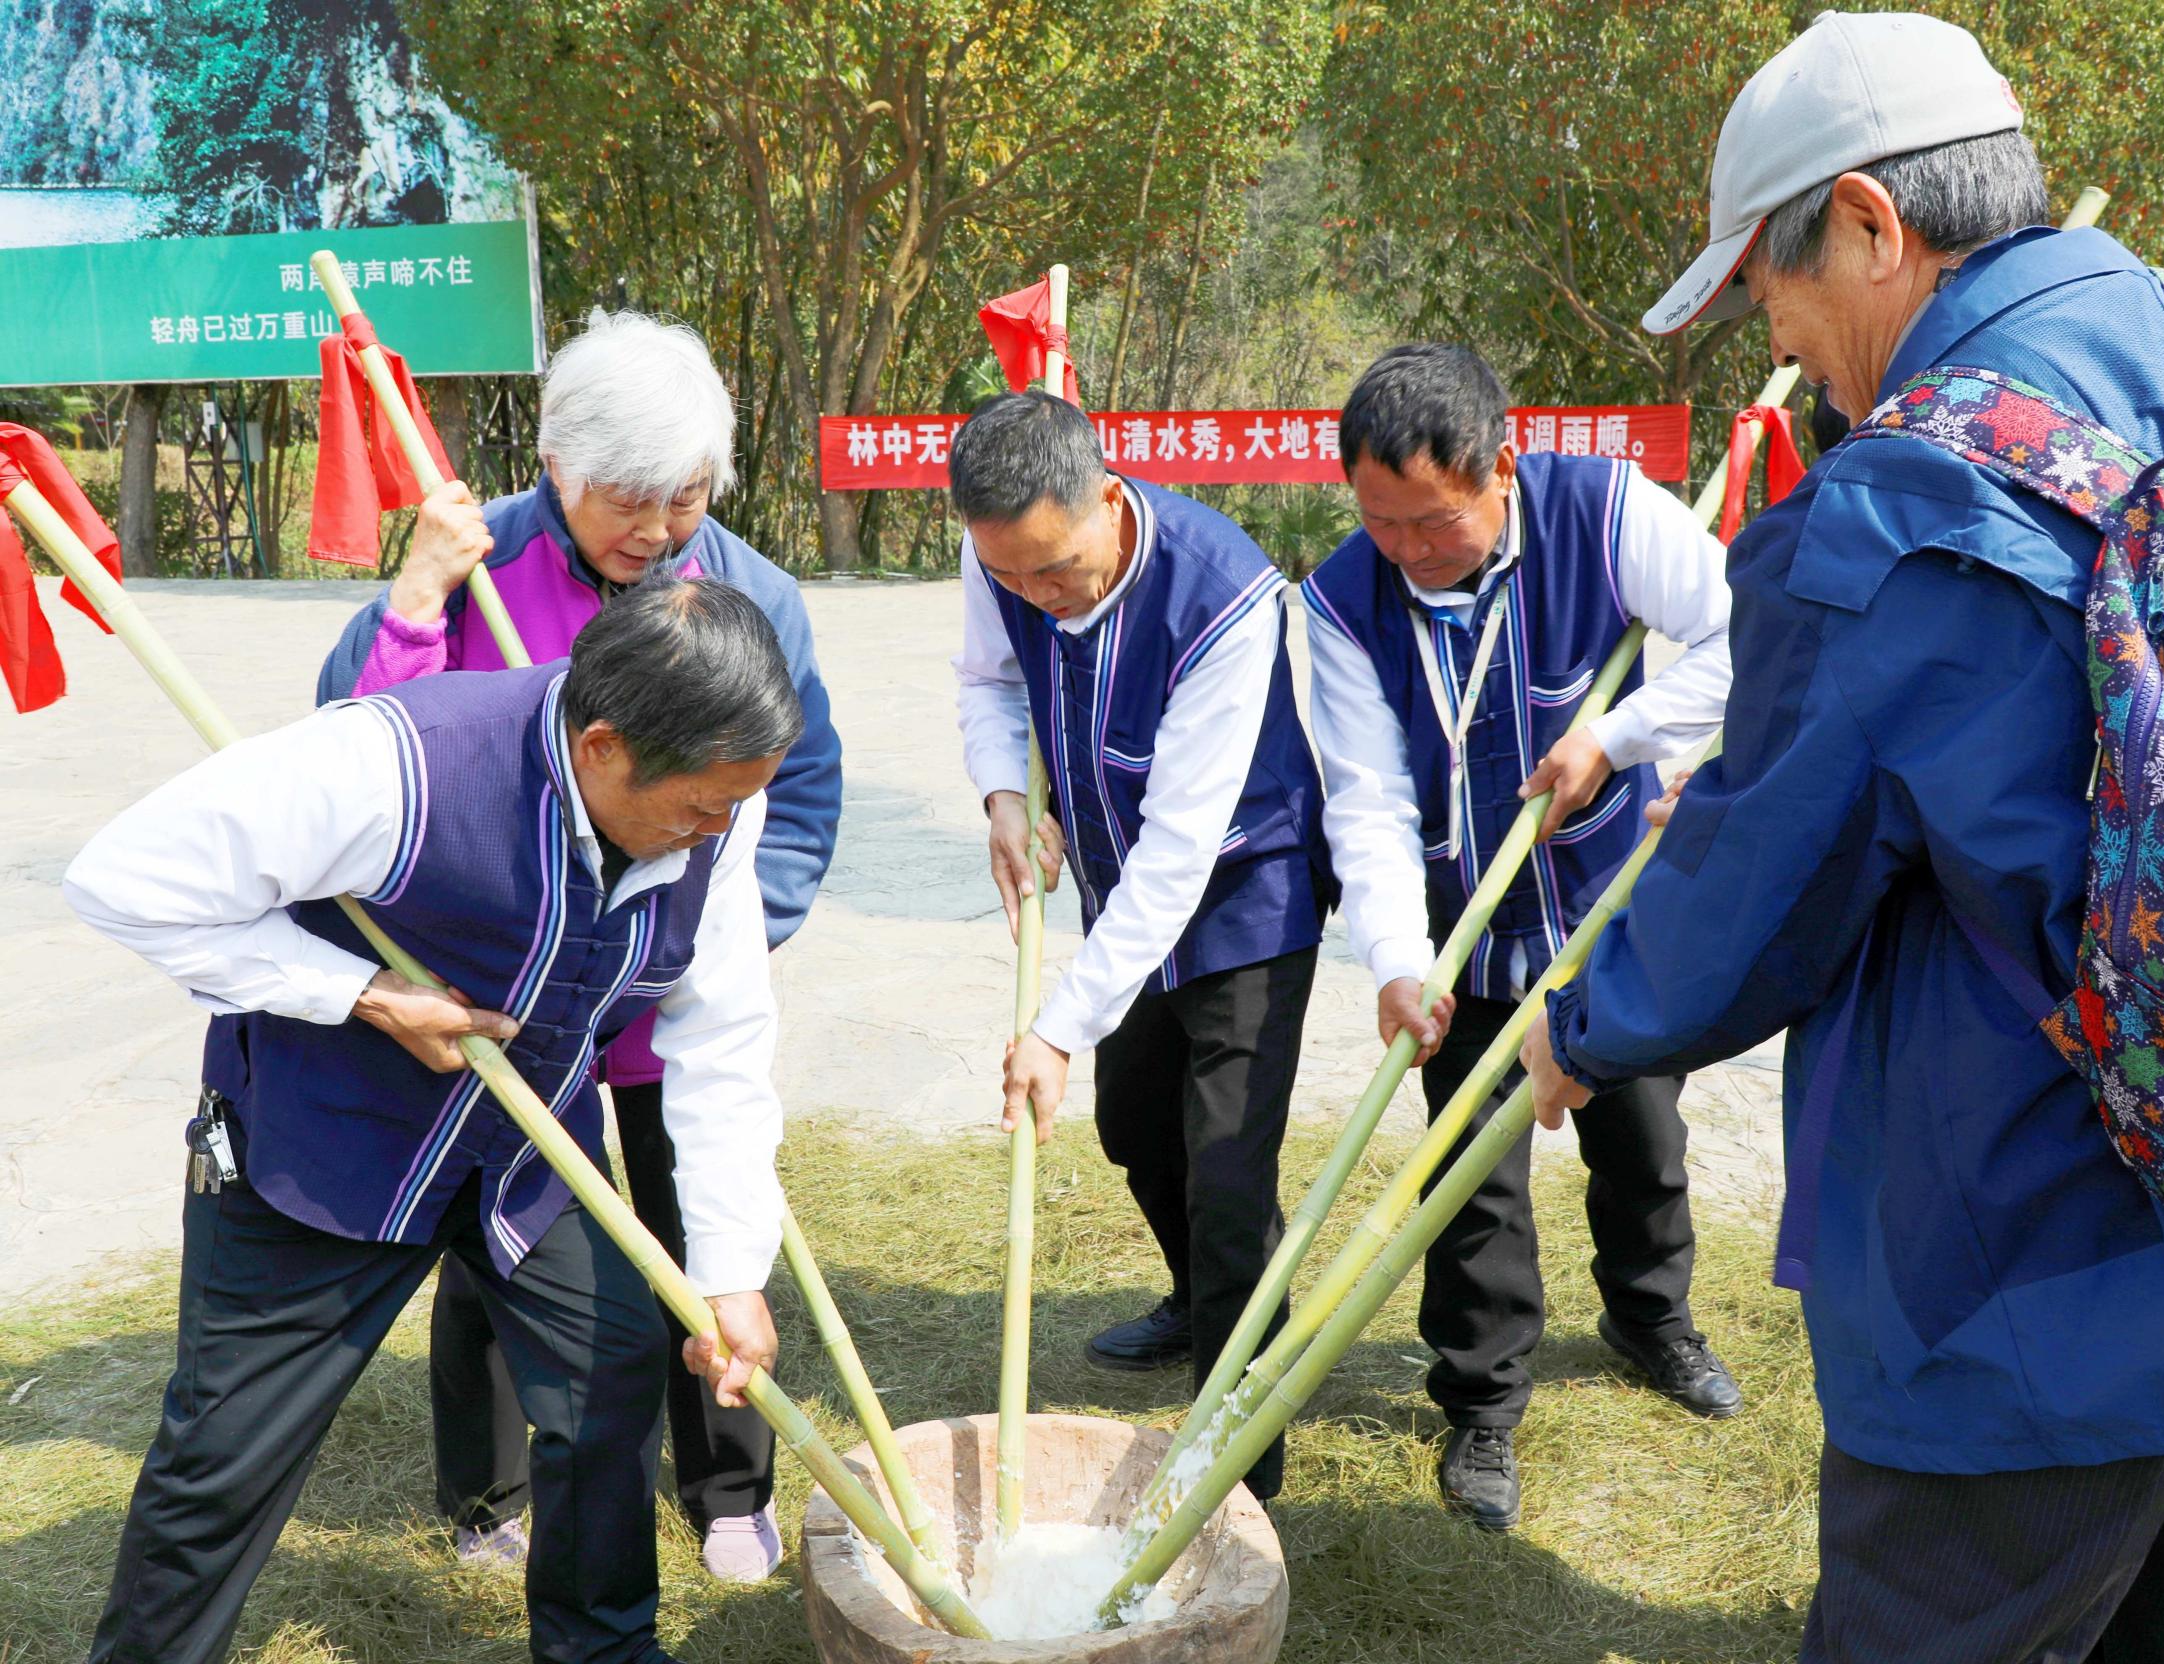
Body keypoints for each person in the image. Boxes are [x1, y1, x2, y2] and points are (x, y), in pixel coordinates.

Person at [1521, 13, 2164, 1659]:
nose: (1775, 319)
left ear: (1871, 223)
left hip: (2050, 1290)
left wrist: (1586, 1021)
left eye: (1768, 274)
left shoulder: (1901, 501)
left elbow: (1756, 900)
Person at [70, 578, 802, 1664]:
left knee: (609, 1375)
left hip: (528, 1154)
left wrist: (733, 1270)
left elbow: (722, 1036)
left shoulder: (715, 814)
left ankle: (600, 1646)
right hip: (328, 1149)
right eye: (701, 805)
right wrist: (360, 992)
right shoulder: (387, 765)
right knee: (226, 1451)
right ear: (602, 745)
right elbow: (121, 879)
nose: (718, 829)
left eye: (738, 803)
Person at [316, 310, 843, 1581]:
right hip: (505, 993)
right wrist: (415, 595)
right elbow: (349, 748)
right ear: (557, 459)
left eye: (690, 494)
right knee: (504, 1226)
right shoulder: (474, 554)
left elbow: (802, 786)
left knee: (698, 1220)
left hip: (658, 985)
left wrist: (723, 931)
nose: (660, 527)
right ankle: (493, 1489)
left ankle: (727, 1481)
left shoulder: (751, 592)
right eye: (631, 496)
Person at [1300, 344, 1740, 1533]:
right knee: (1469, 1177)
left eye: (1432, 522)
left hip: (1607, 912)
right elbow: (1367, 798)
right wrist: (1397, 958)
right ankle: (1483, 1401)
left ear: (1502, 463)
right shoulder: (1341, 600)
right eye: (1380, 521)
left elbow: (1742, 643)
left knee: (1641, 1133)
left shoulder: (1602, 515)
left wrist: (1624, 731)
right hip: (1462, 933)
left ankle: (1652, 1320)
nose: (1408, 549)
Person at [950, 390, 1332, 1502]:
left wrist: (1058, 1028)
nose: (1036, 596)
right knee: (1133, 1127)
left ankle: (1237, 1457)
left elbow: (1182, 845)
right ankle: (1204, 1294)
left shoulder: (1228, 594)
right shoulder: (1005, 549)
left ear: (1108, 501)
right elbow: (989, 680)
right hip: (1124, 895)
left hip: (1243, 895)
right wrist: (1002, 796)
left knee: (1227, 1173)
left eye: (1055, 571)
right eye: (1012, 578)